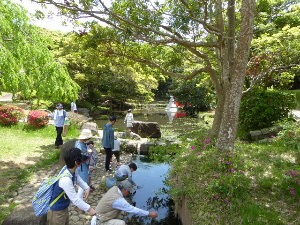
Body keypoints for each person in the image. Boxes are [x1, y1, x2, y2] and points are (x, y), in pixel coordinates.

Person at [47, 147, 96, 225]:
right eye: (81, 160)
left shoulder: (70, 169)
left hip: (63, 207)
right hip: (57, 212)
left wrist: (87, 187)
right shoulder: (66, 179)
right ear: (77, 163)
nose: (82, 162)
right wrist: (89, 209)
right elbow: (75, 199)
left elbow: (78, 178)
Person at [91, 180, 158, 225]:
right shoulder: (118, 200)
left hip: (100, 215)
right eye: (129, 191)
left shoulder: (115, 188)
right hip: (99, 221)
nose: (130, 193)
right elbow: (133, 210)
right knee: (122, 223)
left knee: (123, 212)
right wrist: (149, 213)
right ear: (125, 190)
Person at [75, 129, 93, 199]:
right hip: (82, 167)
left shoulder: (78, 143)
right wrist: (90, 153)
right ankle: (79, 201)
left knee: (81, 183)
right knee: (83, 184)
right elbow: (82, 158)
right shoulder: (80, 146)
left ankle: (79, 200)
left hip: (80, 167)